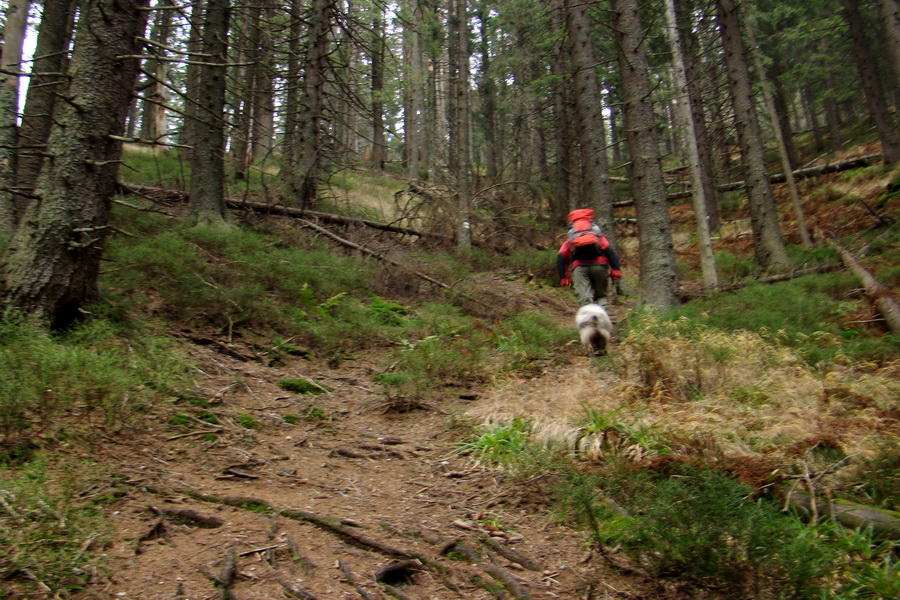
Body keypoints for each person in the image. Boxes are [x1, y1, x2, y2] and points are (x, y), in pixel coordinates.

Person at [557, 208, 622, 307]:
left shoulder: (572, 236)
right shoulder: (596, 234)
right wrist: (615, 270)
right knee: (601, 296)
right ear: (589, 220)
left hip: (579, 267)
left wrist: (564, 277)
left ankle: (588, 320)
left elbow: (561, 255)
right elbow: (609, 250)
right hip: (599, 266)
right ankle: (601, 318)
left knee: (585, 298)